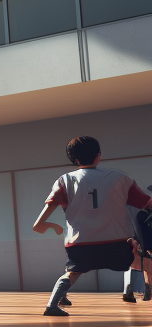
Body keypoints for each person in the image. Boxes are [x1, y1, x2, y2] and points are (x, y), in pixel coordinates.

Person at [32, 136, 152, 317]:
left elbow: (40, 222)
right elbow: (146, 203)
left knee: (72, 272)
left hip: (80, 244)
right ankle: (147, 297)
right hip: (116, 244)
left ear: (73, 159)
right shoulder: (121, 178)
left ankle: (52, 305)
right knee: (147, 265)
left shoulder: (64, 181)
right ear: (98, 156)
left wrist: (47, 226)